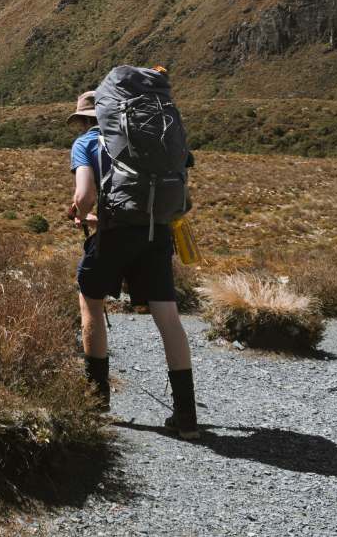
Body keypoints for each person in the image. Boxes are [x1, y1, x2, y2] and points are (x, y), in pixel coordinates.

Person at [67, 89, 199, 440]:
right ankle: (187, 415)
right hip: (156, 233)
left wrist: (80, 216)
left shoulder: (87, 142)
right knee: (168, 317)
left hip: (111, 236)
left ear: (84, 119)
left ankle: (97, 404)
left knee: (91, 304)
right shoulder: (151, 137)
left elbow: (84, 196)